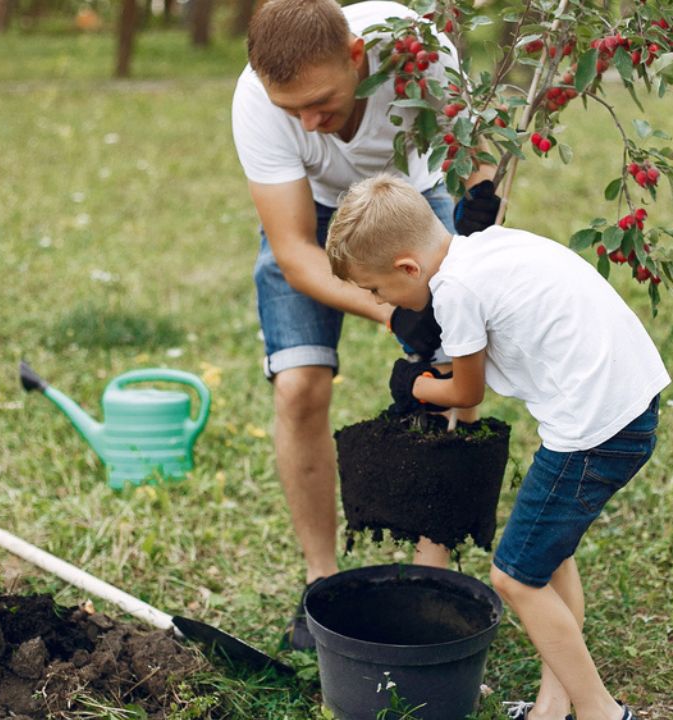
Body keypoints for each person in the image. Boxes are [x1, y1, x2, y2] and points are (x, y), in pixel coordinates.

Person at [326, 175, 667, 720]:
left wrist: (412, 385)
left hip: (594, 429)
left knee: (513, 576)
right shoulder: (485, 246)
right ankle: (552, 710)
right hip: (625, 402)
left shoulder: (454, 290)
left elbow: (466, 391)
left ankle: (602, 712)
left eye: (376, 290)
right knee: (551, 560)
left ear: (408, 268)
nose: (378, 301)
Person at [231, 0, 500, 650]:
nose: (310, 122)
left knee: (446, 365)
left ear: (357, 58)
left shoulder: (419, 54)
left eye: (321, 102)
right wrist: (393, 310)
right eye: (292, 110)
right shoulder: (256, 102)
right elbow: (295, 251)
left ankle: (430, 579)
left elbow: (479, 156)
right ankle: (321, 584)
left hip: (412, 198)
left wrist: (479, 211)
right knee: (299, 387)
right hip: (318, 216)